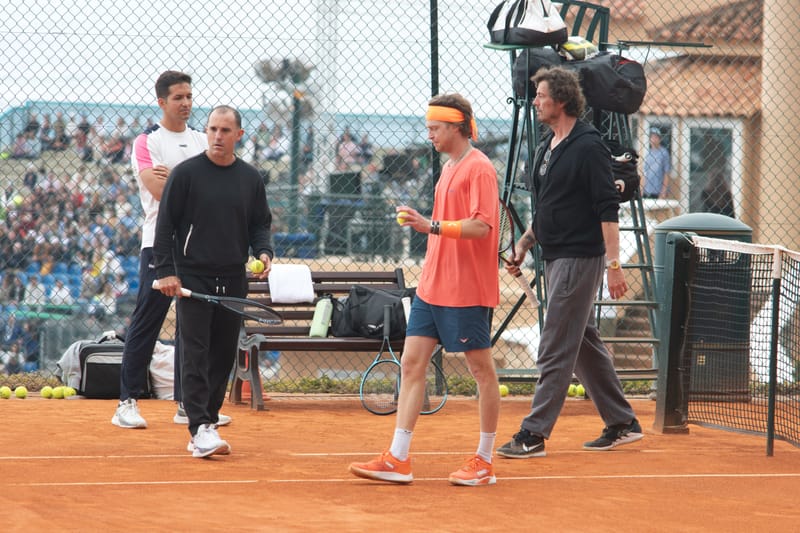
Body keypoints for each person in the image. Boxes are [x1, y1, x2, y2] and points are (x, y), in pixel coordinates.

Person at [349, 93, 501, 486]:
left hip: (465, 289)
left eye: (434, 128)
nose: (429, 134)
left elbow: (482, 226)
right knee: (412, 364)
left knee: (480, 370)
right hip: (433, 288)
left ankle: (484, 460)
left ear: (455, 126)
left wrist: (430, 225)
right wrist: (430, 227)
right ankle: (399, 457)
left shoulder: (479, 168)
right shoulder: (450, 167)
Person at [496, 67, 643, 459]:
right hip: (554, 254)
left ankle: (533, 433)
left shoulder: (588, 146)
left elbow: (606, 206)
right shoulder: (547, 145)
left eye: (542, 95)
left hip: (581, 257)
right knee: (581, 343)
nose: (536, 101)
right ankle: (622, 422)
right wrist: (525, 244)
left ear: (561, 100)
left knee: (556, 343)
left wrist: (615, 265)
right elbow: (548, 207)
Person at [153, 105, 273, 458]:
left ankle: (206, 421)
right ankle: (200, 426)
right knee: (195, 353)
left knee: (222, 355)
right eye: (212, 129)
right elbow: (166, 226)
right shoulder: (186, 174)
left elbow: (260, 224)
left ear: (239, 135)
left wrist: (264, 252)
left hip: (233, 278)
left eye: (225, 131)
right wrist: (166, 271)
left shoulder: (250, 178)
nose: (217, 136)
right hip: (193, 277)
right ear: (206, 132)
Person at [112, 70, 212, 430]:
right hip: (159, 243)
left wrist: (176, 179)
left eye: (189, 96)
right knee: (147, 320)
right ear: (162, 102)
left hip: (197, 246)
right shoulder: (147, 141)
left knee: (194, 326)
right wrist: (191, 185)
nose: (186, 103)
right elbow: (157, 192)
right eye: (178, 98)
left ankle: (188, 405)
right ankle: (126, 402)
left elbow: (212, 195)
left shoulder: (203, 139)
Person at [642, 128, 671, 199]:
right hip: (647, 190)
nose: (653, 139)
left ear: (659, 139)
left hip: (658, 191)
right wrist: (642, 189)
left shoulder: (664, 153)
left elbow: (666, 173)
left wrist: (663, 191)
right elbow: (645, 173)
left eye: (656, 137)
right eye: (651, 137)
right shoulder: (648, 153)